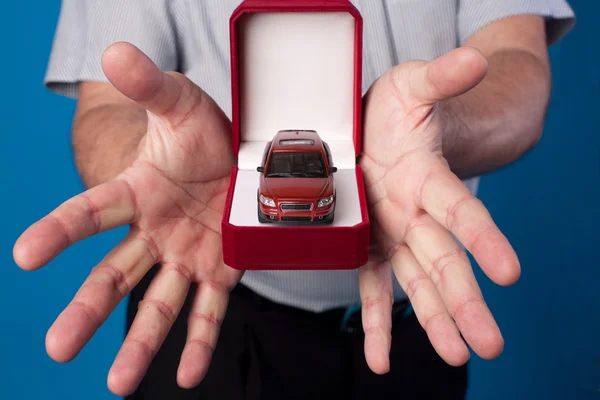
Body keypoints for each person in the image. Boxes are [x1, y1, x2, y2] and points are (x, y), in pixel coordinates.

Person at [14, 0, 574, 399]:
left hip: (420, 322)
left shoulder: (319, 167)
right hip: (215, 314)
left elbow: (517, 64)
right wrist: (145, 156)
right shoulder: (275, 161)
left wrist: (431, 129)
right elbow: (106, 107)